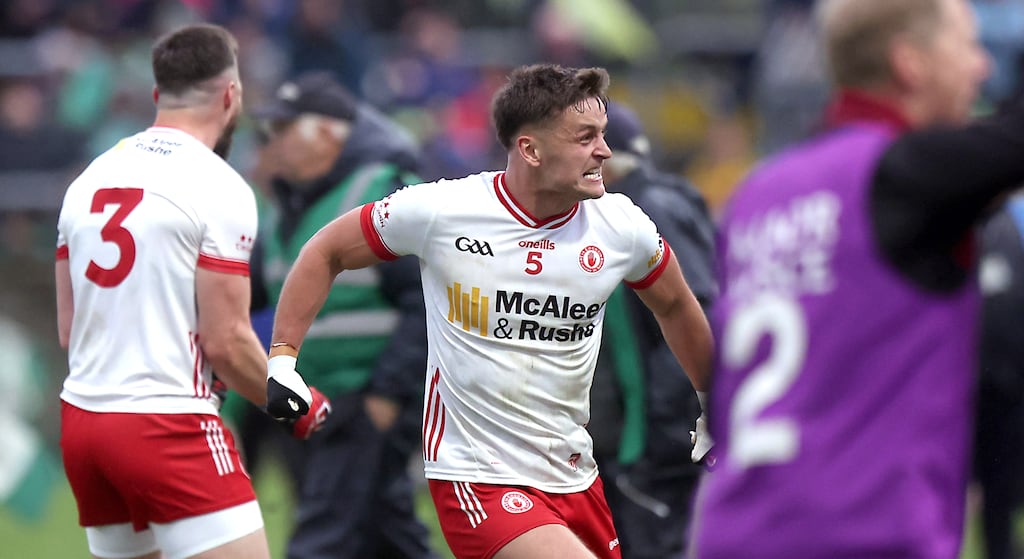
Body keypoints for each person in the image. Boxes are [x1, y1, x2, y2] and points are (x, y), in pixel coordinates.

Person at [266, 63, 714, 559]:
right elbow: (325, 250)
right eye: (585, 137)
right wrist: (283, 359)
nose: (604, 151)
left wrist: (711, 401)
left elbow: (677, 303)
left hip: (574, 476)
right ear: (531, 150)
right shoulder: (442, 210)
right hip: (476, 477)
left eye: (603, 134)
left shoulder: (622, 225)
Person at [689, 0, 1024, 557]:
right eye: (967, 44)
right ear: (910, 62)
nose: (982, 66)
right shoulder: (906, 176)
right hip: (859, 536)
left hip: (735, 534)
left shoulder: (758, 192)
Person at [54, 24, 329, 559]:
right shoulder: (219, 184)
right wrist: (299, 405)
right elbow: (227, 342)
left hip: (84, 426)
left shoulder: (88, 178)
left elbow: (71, 330)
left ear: (158, 94)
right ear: (231, 96)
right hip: (167, 423)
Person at [245, 71, 440, 559]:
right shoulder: (286, 210)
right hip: (317, 405)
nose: (273, 141)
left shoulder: (384, 195)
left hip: (363, 402)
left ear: (329, 132)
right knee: (387, 535)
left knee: (321, 539)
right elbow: (248, 293)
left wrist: (387, 395)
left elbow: (428, 302)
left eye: (285, 128)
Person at [587, 101, 716, 559]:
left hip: (656, 448)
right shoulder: (620, 213)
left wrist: (664, 436)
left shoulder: (649, 212)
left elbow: (696, 315)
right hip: (637, 442)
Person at [973, 194, 1024, 559]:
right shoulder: (977, 227)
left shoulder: (1012, 224)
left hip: (1012, 385)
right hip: (973, 388)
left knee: (1002, 485)